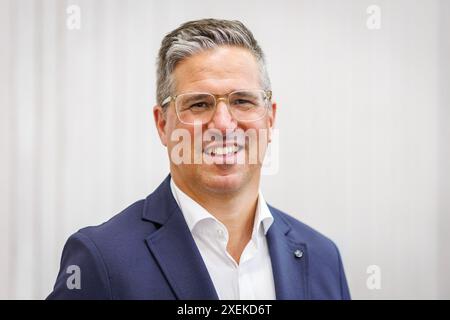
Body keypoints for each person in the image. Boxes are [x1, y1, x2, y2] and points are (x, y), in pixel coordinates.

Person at [47, 18, 350, 300]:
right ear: (162, 124)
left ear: (270, 119)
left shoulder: (322, 258)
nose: (222, 124)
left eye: (242, 101)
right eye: (199, 104)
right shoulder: (101, 260)